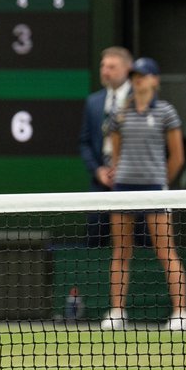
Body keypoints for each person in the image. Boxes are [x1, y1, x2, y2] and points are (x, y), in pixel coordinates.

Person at [101, 57, 186, 333]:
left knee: (166, 251)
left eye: (143, 75)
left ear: (155, 80)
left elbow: (177, 157)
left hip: (155, 190)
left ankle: (180, 314)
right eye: (135, 75)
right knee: (121, 252)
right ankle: (117, 312)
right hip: (124, 190)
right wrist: (122, 174)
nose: (138, 79)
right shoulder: (120, 114)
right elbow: (117, 155)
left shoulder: (166, 112)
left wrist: (160, 181)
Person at [78, 46, 132, 246]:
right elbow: (84, 142)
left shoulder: (140, 99)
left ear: (128, 69)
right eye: (103, 66)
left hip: (133, 184)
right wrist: (98, 170)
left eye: (112, 67)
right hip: (100, 184)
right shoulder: (93, 102)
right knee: (95, 239)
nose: (105, 71)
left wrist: (123, 170)